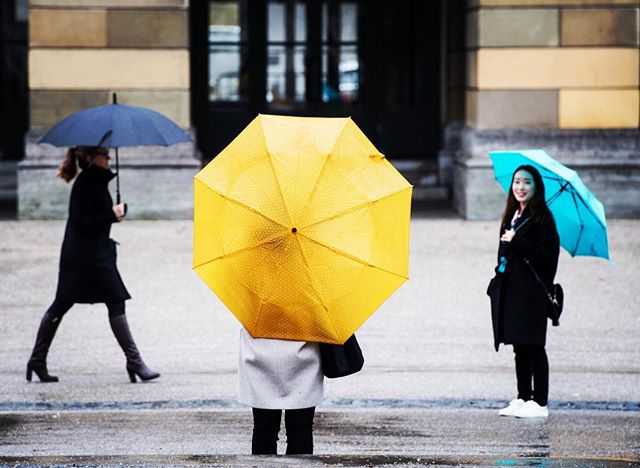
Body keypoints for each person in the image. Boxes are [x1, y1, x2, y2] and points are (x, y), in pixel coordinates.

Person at [26, 146, 160, 384]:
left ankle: (38, 359)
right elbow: (80, 221)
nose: (108, 159)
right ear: (91, 158)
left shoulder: (96, 181)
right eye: (104, 155)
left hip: (93, 253)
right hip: (84, 256)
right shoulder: (85, 182)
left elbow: (96, 217)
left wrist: (115, 214)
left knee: (81, 302)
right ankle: (135, 362)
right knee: (71, 301)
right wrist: (110, 214)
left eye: (109, 155)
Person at [491, 165, 559, 419]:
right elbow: (505, 252)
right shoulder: (514, 215)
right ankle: (523, 396)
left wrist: (517, 240)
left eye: (526, 182)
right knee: (519, 346)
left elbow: (547, 255)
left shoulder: (542, 218)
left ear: (536, 187)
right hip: (513, 290)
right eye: (517, 181)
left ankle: (540, 401)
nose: (520, 187)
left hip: (532, 292)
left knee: (534, 345)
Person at [238, 328, 324, 454]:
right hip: (304, 353)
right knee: (300, 428)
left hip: (260, 353)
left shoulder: (254, 308)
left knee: (264, 428)